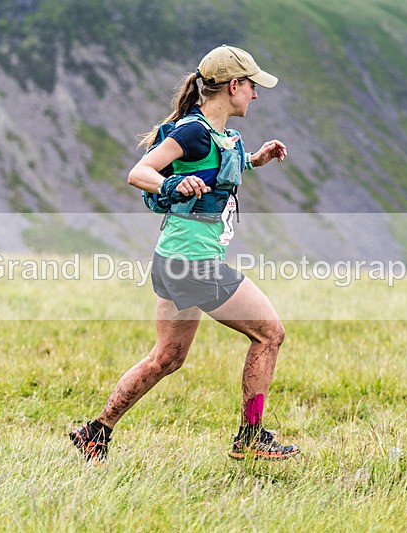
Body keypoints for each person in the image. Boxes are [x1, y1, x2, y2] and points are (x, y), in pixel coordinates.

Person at [70, 45, 298, 462]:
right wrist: (172, 185)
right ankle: (250, 436)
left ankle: (95, 432)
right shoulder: (192, 131)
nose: (256, 94)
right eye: (252, 86)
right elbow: (139, 172)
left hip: (172, 260)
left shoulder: (216, 134)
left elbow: (214, 167)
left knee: (167, 358)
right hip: (194, 264)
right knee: (270, 334)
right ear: (233, 86)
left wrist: (253, 160)